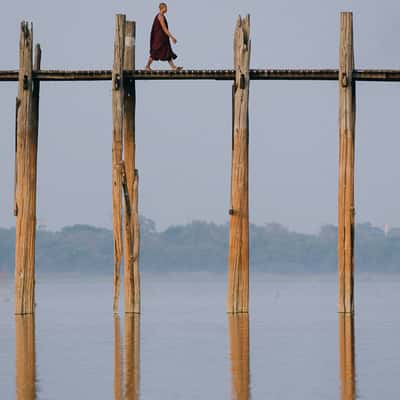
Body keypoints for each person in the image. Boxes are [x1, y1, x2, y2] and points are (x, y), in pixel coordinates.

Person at [145, 3, 182, 71]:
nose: (167, 9)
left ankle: (173, 67)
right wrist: (172, 37)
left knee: (167, 51)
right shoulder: (160, 16)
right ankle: (147, 66)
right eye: (166, 8)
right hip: (159, 38)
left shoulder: (163, 16)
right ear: (162, 8)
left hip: (163, 38)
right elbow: (164, 28)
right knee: (155, 51)